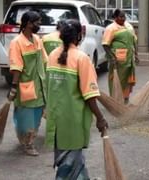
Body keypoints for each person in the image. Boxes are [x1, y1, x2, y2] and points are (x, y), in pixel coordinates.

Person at [45, 19, 108, 179]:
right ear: (79, 35)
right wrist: (100, 118)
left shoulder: (52, 55)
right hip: (73, 119)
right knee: (69, 163)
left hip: (56, 119)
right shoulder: (82, 58)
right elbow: (90, 95)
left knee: (68, 159)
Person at [7, 11, 48, 156]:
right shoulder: (16, 43)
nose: (39, 25)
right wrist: (13, 87)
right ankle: (27, 143)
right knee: (26, 116)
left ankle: (29, 139)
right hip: (26, 86)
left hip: (40, 86)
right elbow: (16, 67)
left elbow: (45, 60)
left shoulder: (37, 39)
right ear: (28, 24)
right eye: (37, 22)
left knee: (37, 114)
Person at [102, 9, 139, 104]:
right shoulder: (111, 28)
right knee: (116, 79)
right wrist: (112, 57)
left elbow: (134, 40)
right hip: (118, 60)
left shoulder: (128, 26)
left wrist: (136, 54)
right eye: (121, 17)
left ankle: (125, 98)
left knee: (127, 79)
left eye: (124, 16)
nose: (123, 19)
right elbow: (105, 44)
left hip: (129, 59)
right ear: (115, 17)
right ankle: (115, 99)